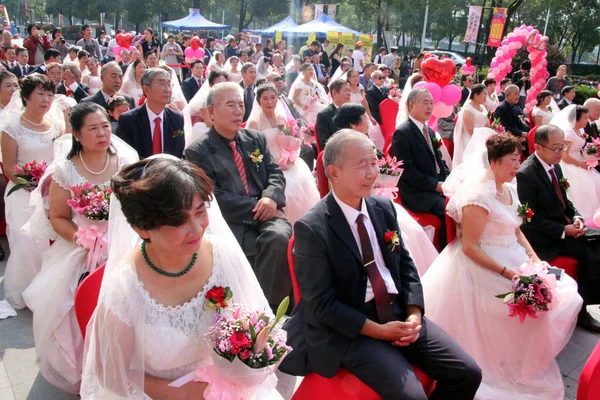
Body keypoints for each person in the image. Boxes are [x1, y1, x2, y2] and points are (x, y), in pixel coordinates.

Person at [281, 130, 481, 398]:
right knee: (411, 396)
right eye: (361, 165)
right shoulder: (313, 228)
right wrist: (379, 331)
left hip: (396, 311)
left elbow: (405, 266)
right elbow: (321, 305)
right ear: (334, 172)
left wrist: (413, 314)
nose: (372, 173)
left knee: (468, 373)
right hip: (352, 328)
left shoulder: (382, 208)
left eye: (374, 162)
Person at [80, 156, 284, 398]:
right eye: (179, 220)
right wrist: (179, 393)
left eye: (199, 211)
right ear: (143, 228)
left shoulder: (223, 254)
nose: (197, 229)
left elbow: (258, 323)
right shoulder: (125, 287)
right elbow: (111, 373)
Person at [423, 132, 582, 399]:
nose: (517, 166)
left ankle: (525, 357)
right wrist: (509, 273)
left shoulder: (509, 188)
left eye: (518, 159)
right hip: (485, 264)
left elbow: (517, 231)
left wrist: (534, 260)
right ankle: (509, 361)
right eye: (512, 160)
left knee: (565, 290)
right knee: (527, 300)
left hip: (515, 257)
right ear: (494, 162)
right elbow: (470, 247)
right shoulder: (478, 198)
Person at [22, 102, 138, 393]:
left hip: (123, 241)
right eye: (93, 128)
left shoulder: (126, 161)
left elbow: (138, 207)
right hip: (81, 247)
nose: (102, 133)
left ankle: (128, 364)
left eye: (105, 126)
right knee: (74, 305)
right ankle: (84, 368)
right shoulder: (65, 170)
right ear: (76, 134)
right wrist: (82, 238)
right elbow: (58, 217)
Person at [185, 82, 292, 309]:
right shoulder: (198, 151)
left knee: (280, 238)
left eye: (241, 105)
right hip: (234, 221)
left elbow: (274, 172)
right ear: (212, 111)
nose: (238, 111)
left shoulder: (255, 139)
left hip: (269, 211)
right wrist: (258, 207)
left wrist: (271, 197)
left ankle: (272, 312)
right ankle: (252, 310)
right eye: (230, 105)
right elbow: (213, 196)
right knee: (252, 248)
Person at [517, 124, 600, 332]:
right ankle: (582, 311)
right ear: (538, 147)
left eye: (562, 147)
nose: (560, 152)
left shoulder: (556, 166)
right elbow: (530, 220)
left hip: (566, 226)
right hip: (546, 238)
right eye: (555, 148)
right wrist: (564, 231)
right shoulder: (526, 174)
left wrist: (577, 217)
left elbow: (565, 201)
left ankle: (591, 299)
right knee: (587, 253)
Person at [1, 74, 64, 309]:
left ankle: (46, 290)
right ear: (26, 97)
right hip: (22, 192)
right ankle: (26, 290)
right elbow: (8, 167)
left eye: (49, 94)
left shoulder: (56, 125)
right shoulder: (11, 128)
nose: (46, 99)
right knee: (27, 241)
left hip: (50, 192)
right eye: (40, 94)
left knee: (51, 242)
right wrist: (31, 182)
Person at [246, 83, 320, 224]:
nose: (270, 102)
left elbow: (291, 140)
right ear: (258, 101)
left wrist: (291, 155)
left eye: (273, 98)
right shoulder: (254, 123)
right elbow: (252, 152)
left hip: (288, 162)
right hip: (269, 167)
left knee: (304, 186)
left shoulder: (282, 117)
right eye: (265, 99)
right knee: (290, 192)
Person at [392, 88, 450, 247]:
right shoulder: (403, 133)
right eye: (425, 103)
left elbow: (439, 162)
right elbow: (408, 172)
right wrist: (435, 186)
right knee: (449, 209)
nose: (430, 107)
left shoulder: (429, 131)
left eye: (431, 103)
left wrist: (450, 179)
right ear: (411, 105)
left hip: (436, 186)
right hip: (417, 192)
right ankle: (446, 250)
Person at [117, 68, 185, 159]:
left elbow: (178, 153)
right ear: (146, 89)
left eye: (169, 84)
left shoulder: (177, 118)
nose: (167, 89)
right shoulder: (128, 120)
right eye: (162, 84)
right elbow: (125, 156)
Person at [550, 105, 600, 220]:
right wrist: (581, 164)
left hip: (581, 160)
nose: (586, 121)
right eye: (584, 118)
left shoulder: (579, 130)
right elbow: (565, 156)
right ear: (575, 119)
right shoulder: (568, 133)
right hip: (571, 164)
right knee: (584, 188)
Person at [183, 70, 229, 147]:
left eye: (225, 83)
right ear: (211, 85)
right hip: (207, 129)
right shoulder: (204, 99)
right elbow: (208, 121)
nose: (222, 86)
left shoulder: (228, 98)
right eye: (219, 83)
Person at [453, 83, 491, 166]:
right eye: (484, 94)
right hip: (471, 140)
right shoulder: (468, 109)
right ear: (476, 95)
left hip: (483, 138)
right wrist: (482, 138)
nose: (486, 97)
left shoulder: (483, 108)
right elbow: (470, 130)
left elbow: (486, 124)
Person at [316, 79, 351, 149]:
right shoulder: (324, 115)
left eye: (349, 90)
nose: (349, 93)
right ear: (334, 93)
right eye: (346, 90)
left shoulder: (353, 111)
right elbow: (325, 142)